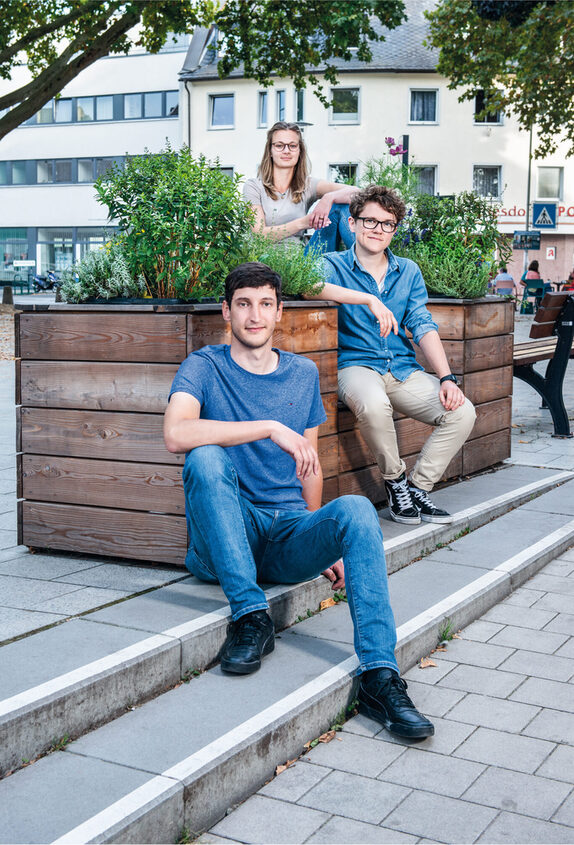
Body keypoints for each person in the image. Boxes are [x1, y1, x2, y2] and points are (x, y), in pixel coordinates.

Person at [164, 261, 434, 740]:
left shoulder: (302, 373)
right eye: (243, 304)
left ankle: (379, 675)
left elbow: (310, 467)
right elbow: (176, 432)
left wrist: (321, 540)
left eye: (265, 304)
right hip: (229, 536)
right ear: (226, 312)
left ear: (279, 312)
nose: (254, 315)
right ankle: (250, 616)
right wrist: (270, 427)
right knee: (203, 458)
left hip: (287, 534)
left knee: (353, 509)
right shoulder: (203, 366)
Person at [305, 185, 476, 525]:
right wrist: (367, 299)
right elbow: (308, 285)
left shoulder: (408, 271)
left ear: (395, 230)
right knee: (373, 402)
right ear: (351, 224)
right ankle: (395, 481)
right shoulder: (331, 264)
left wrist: (446, 378)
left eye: (387, 223)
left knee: (462, 412)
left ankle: (415, 488)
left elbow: (423, 325)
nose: (377, 229)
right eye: (369, 221)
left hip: (401, 369)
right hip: (356, 366)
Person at [243, 121, 356, 253]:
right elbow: (258, 235)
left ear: (299, 151)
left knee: (340, 206)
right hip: (263, 261)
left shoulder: (308, 185)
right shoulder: (253, 187)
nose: (286, 151)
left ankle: (367, 265)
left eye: (292, 146)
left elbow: (358, 193)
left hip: (302, 260)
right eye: (279, 145)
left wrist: (329, 198)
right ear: (270, 151)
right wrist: (303, 223)